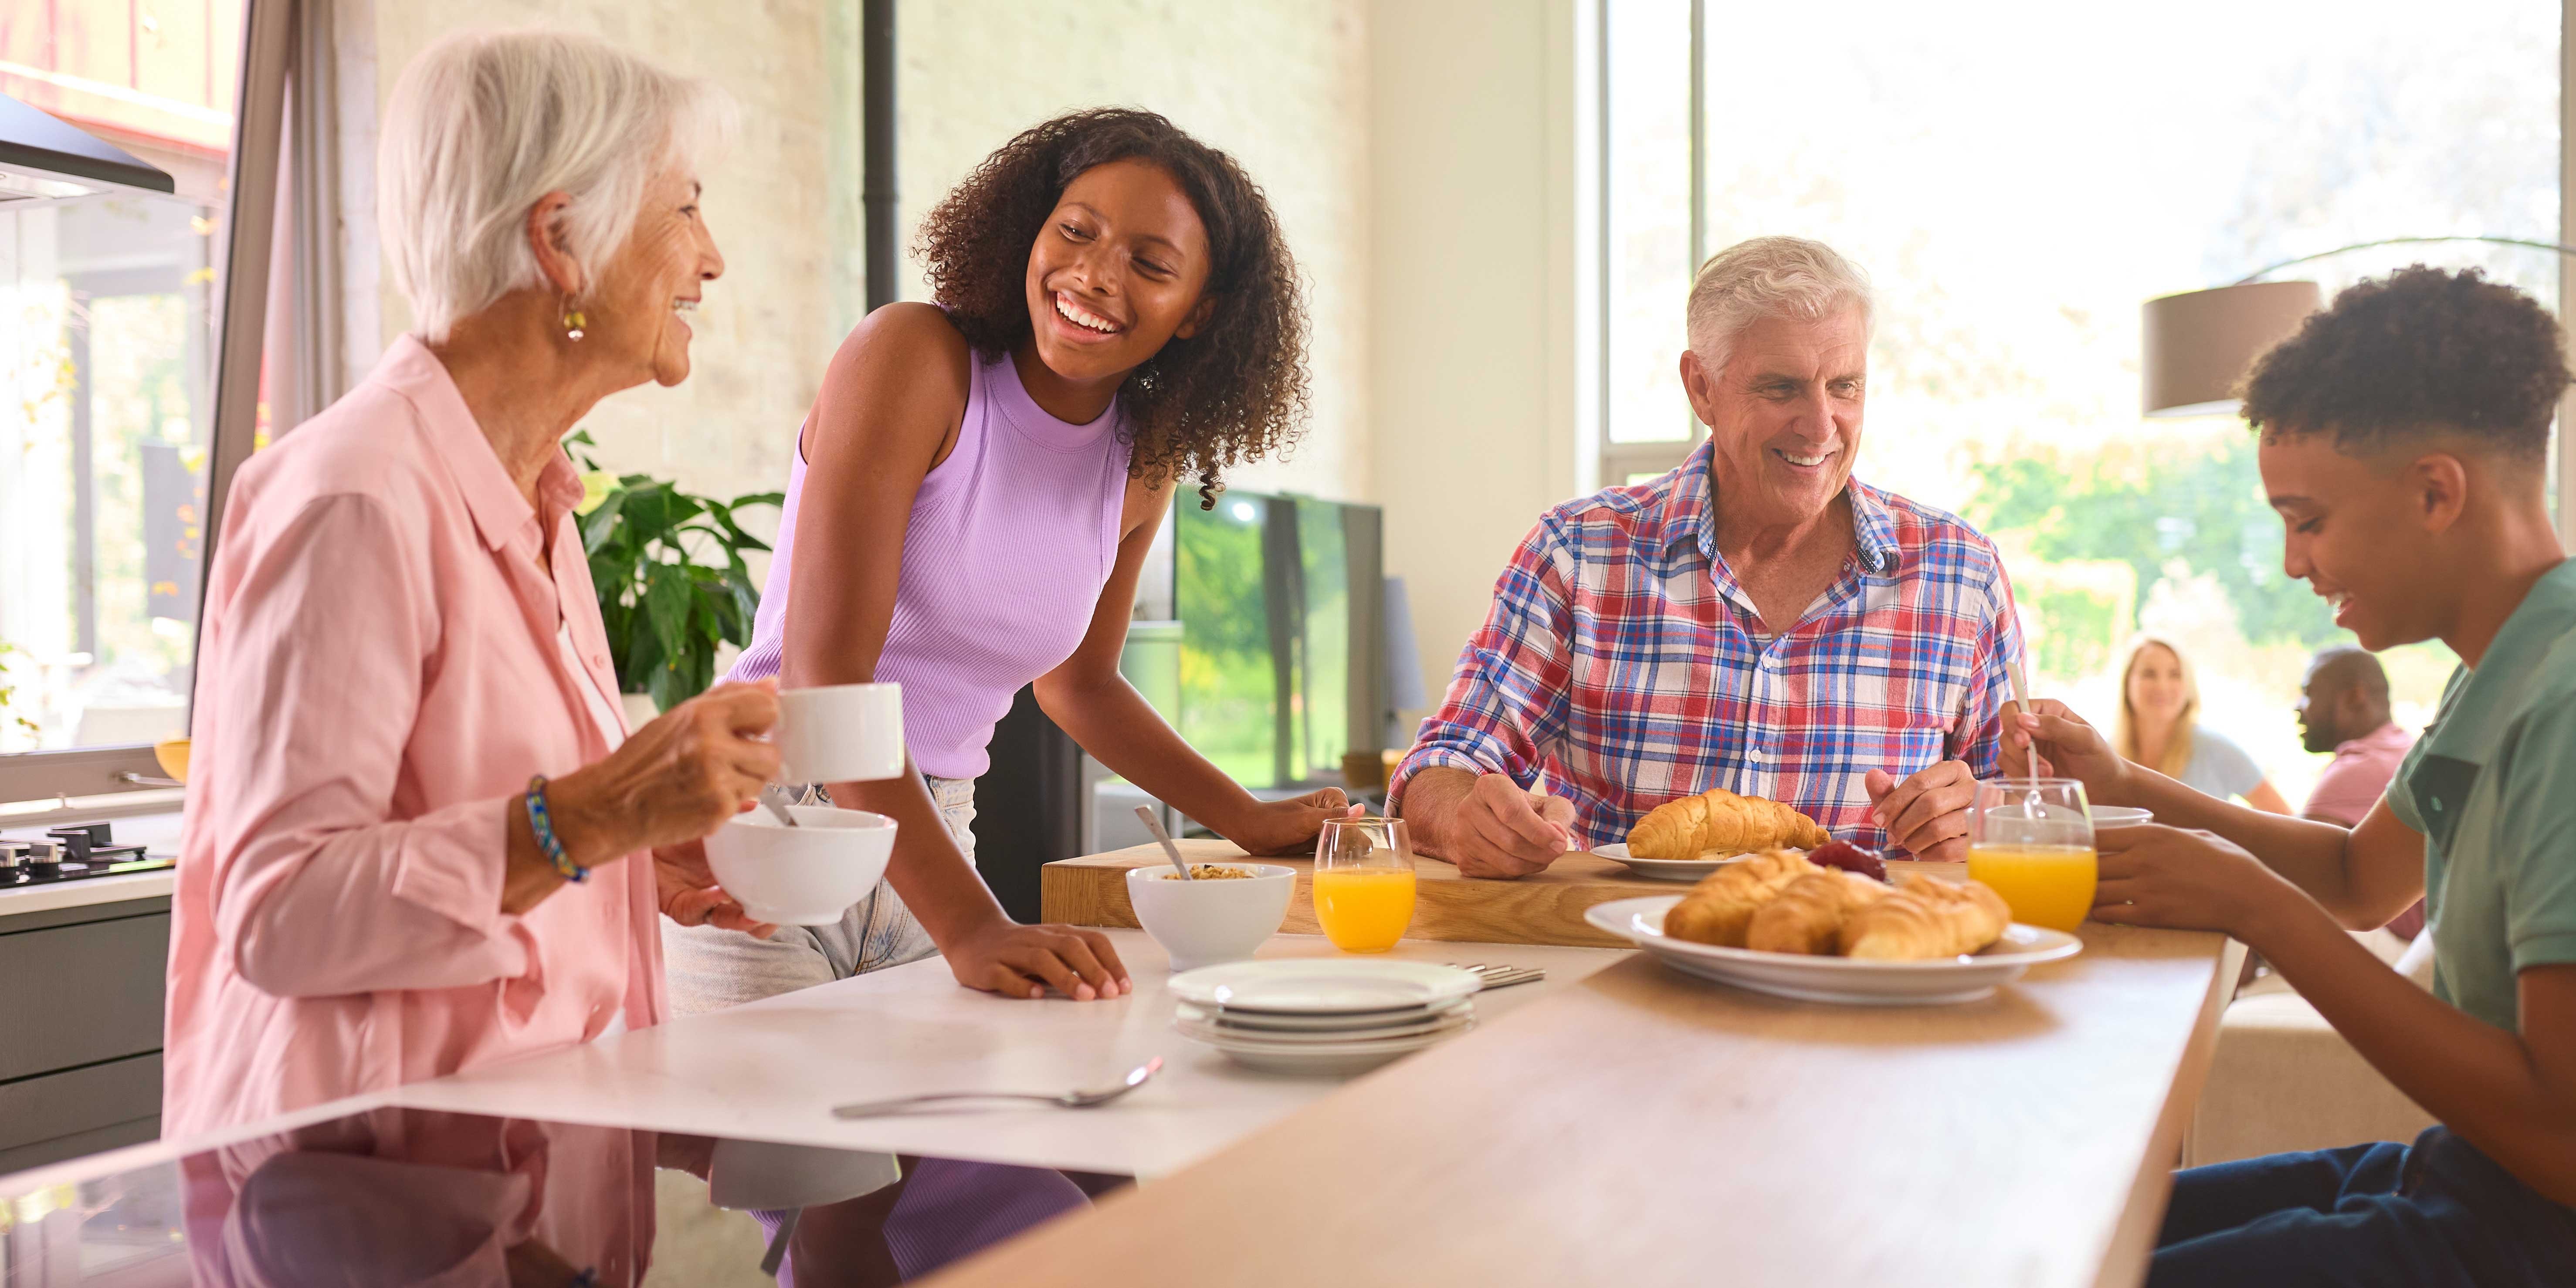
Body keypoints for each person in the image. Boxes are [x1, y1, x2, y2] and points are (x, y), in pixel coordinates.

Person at [163, 31, 777, 1136]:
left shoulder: (536, 497)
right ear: (561, 241)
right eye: (685, 209)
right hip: (365, 1182)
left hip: (513, 1169)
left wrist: (634, 854)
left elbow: (493, 836)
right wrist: (602, 814)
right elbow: (285, 910)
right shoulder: (355, 496)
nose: (712, 258)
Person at [668, 108, 1344, 1010]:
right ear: (1029, 227)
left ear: (1198, 314)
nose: (1096, 275)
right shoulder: (913, 359)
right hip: (782, 822)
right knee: (782, 1146)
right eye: (1076, 231)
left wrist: (1247, 816)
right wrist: (973, 925)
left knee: (932, 1149)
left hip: (938, 829)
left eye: (1150, 263)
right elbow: (825, 672)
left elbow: (1082, 683)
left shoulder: (1143, 459)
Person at [2008, 266, 2576, 1284]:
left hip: (2525, 1237)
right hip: (2454, 1175)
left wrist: (2258, 911)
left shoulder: (2564, 699)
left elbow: (2560, 1141)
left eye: (2306, 519)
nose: (2288, 563)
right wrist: (2125, 778)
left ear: (2435, 491)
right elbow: (2360, 880)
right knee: (2051, 1222)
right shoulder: (2506, 663)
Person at [1389, 236, 2027, 876]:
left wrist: (1977, 819)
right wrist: (1467, 819)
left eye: (1845, 386)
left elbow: (2028, 809)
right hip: (1621, 956)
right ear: (1701, 388)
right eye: (1782, 389)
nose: (1820, 424)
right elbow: (1445, 763)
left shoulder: (1961, 575)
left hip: (1857, 959)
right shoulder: (1578, 555)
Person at [2300, 646, 2424, 939]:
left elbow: (2296, 878)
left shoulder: (2357, 768)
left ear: (2355, 697)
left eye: (2308, 693)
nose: (2298, 706)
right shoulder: (2403, 746)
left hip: (2394, 941)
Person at [2114, 637, 2291, 813]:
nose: (2162, 686)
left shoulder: (2217, 748)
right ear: (2127, 682)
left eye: (2175, 675)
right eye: (2149, 674)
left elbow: (2288, 821)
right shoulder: (2105, 753)